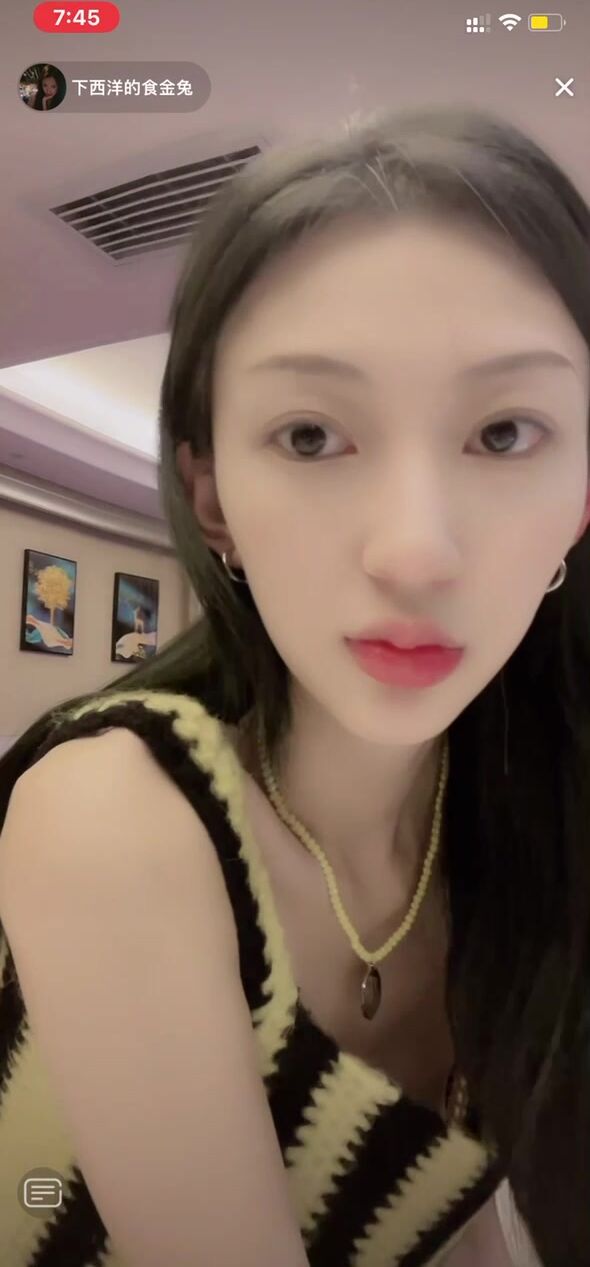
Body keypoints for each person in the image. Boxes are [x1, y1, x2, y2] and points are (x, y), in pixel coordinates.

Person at [0, 103, 589, 1267]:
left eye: (503, 433)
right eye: (311, 436)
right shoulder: (113, 808)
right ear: (212, 499)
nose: (412, 553)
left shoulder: (524, 817)